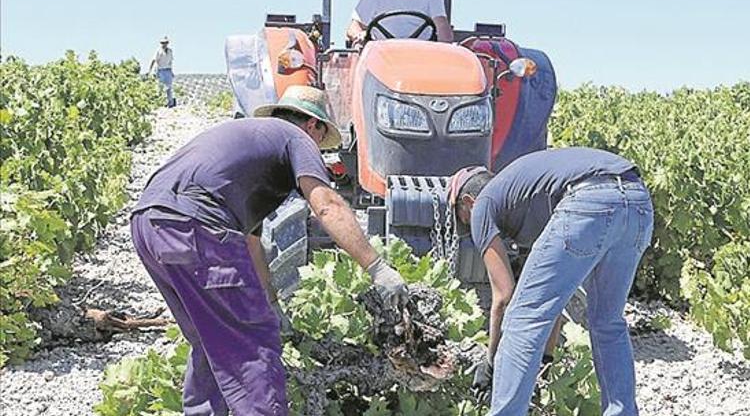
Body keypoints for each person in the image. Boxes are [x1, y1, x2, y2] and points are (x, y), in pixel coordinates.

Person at [130, 86, 409, 415]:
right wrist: (377, 268)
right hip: (198, 227)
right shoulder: (297, 138)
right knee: (254, 347)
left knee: (210, 340)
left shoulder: (252, 141)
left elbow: (250, 242)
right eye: (322, 141)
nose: (319, 150)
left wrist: (271, 302)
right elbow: (328, 206)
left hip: (148, 224)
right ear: (313, 125)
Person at [447, 148, 654, 416]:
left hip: (590, 198)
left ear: (467, 201)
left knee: (520, 319)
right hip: (638, 202)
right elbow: (554, 295)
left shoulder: (482, 204)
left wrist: (490, 364)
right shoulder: (528, 200)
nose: (469, 226)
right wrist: (545, 358)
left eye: (462, 218)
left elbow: (505, 296)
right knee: (607, 322)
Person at [148, 36, 176, 108]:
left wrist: (171, 71)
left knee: (169, 87)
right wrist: (150, 70)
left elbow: (170, 61)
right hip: (160, 70)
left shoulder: (170, 51)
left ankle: (170, 103)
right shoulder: (158, 51)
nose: (164, 44)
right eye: (163, 43)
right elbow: (154, 60)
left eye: (165, 43)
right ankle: (159, 102)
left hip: (168, 70)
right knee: (159, 87)